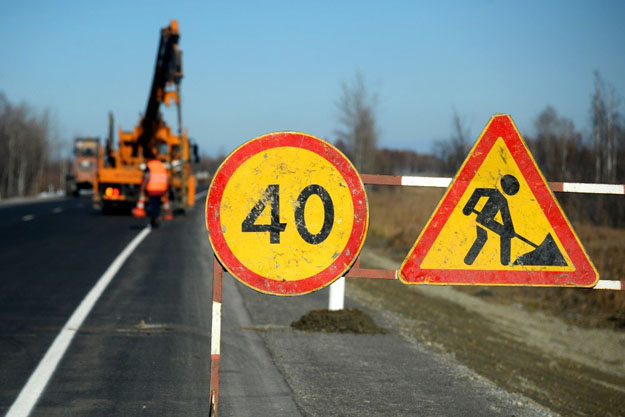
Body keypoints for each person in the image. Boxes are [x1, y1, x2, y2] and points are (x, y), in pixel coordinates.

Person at [462, 174, 520, 265]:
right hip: (484, 219)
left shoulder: (503, 200)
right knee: (487, 237)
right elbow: (478, 191)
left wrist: (511, 230)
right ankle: (505, 261)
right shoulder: (495, 193)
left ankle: (504, 261)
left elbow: (506, 217)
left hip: (487, 221)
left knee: (484, 238)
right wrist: (468, 208)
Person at [142, 155, 169, 228]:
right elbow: (166, 177)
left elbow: (147, 177)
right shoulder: (162, 165)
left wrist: (143, 187)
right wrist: (166, 189)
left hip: (152, 189)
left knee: (153, 205)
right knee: (157, 204)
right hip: (161, 189)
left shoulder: (149, 165)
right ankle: (157, 216)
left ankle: (155, 218)